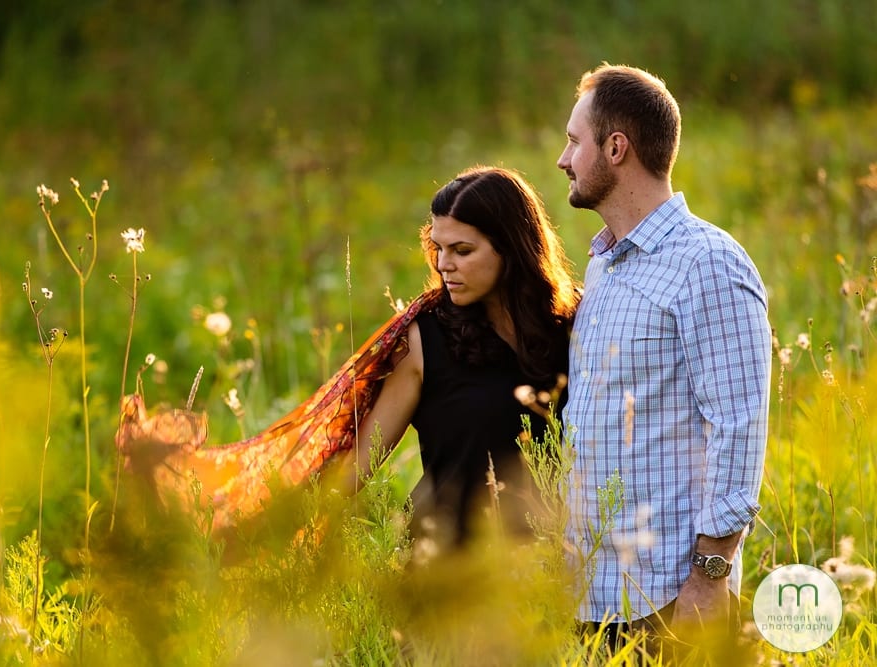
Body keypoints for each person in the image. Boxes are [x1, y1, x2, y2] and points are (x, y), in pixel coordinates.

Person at [117, 166, 579, 552]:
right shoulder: (426, 339)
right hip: (444, 571)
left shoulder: (572, 328)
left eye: (463, 251)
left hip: (550, 567)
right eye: (438, 249)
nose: (443, 266)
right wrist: (258, 529)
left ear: (513, 248)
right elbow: (357, 467)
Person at [556, 63, 771, 654]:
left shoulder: (709, 263)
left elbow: (738, 427)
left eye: (575, 141)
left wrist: (710, 579)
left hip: (670, 599)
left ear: (616, 148)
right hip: (592, 592)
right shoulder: (603, 265)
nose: (563, 159)